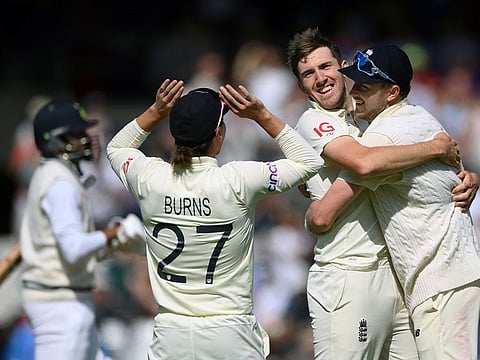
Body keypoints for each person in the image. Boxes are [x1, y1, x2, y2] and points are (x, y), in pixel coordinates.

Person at [264, 27, 479, 360]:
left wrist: (467, 178)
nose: (319, 78)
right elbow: (364, 164)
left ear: (343, 66)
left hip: (401, 277)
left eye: (325, 67)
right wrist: (434, 147)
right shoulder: (314, 121)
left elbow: (430, 168)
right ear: (300, 85)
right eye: (308, 73)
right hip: (349, 275)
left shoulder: (374, 118)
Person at [106, 79, 323, 359]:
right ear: (218, 135)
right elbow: (309, 161)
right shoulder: (238, 179)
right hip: (230, 332)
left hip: (172, 333)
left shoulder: (149, 177)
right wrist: (262, 115)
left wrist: (156, 112)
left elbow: (116, 149)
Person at [20, 99, 145, 360]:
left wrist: (113, 242)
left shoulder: (58, 175)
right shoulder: (60, 183)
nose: (87, 139)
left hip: (67, 300)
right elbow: (73, 248)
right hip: (60, 304)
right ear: (54, 140)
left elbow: (72, 248)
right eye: (77, 134)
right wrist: (114, 232)